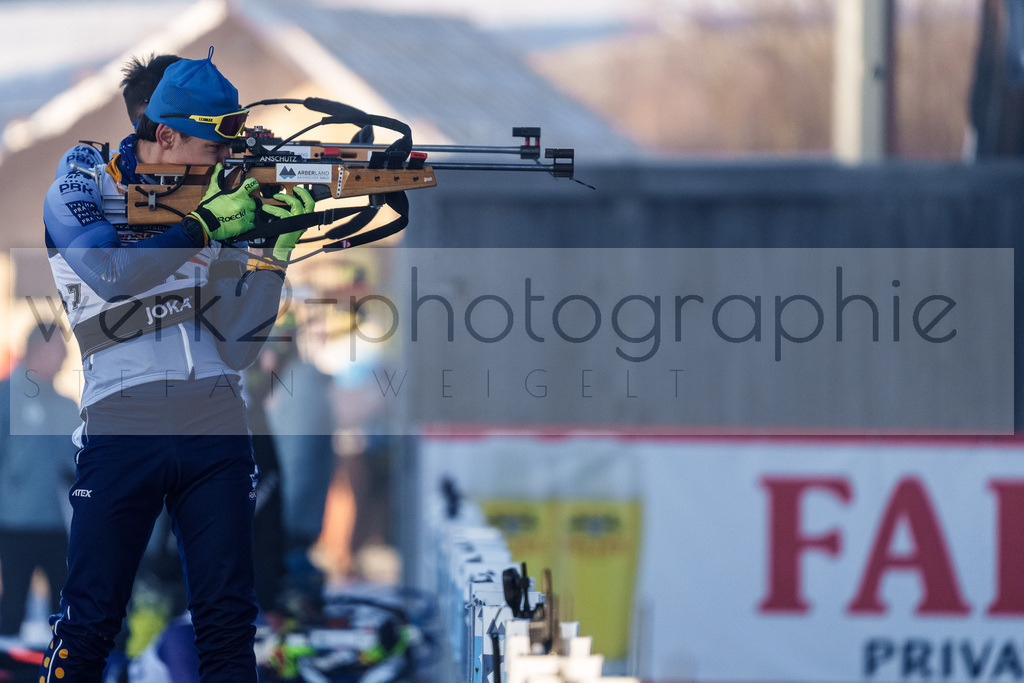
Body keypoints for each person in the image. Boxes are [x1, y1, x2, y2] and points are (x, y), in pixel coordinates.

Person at [40, 48, 314, 682]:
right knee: (89, 624)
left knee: (227, 627)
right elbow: (110, 275)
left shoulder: (218, 203)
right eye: (213, 149)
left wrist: (271, 257)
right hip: (122, 418)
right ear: (164, 132)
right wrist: (202, 226)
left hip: (216, 419)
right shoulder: (83, 183)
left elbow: (236, 347)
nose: (226, 163)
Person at [0, 325, 79, 641]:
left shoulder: (67, 406)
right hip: (13, 526)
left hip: (59, 527)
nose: (64, 358)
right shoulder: (5, 395)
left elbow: (78, 464)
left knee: (64, 610)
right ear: (36, 350)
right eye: (58, 350)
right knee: (11, 609)